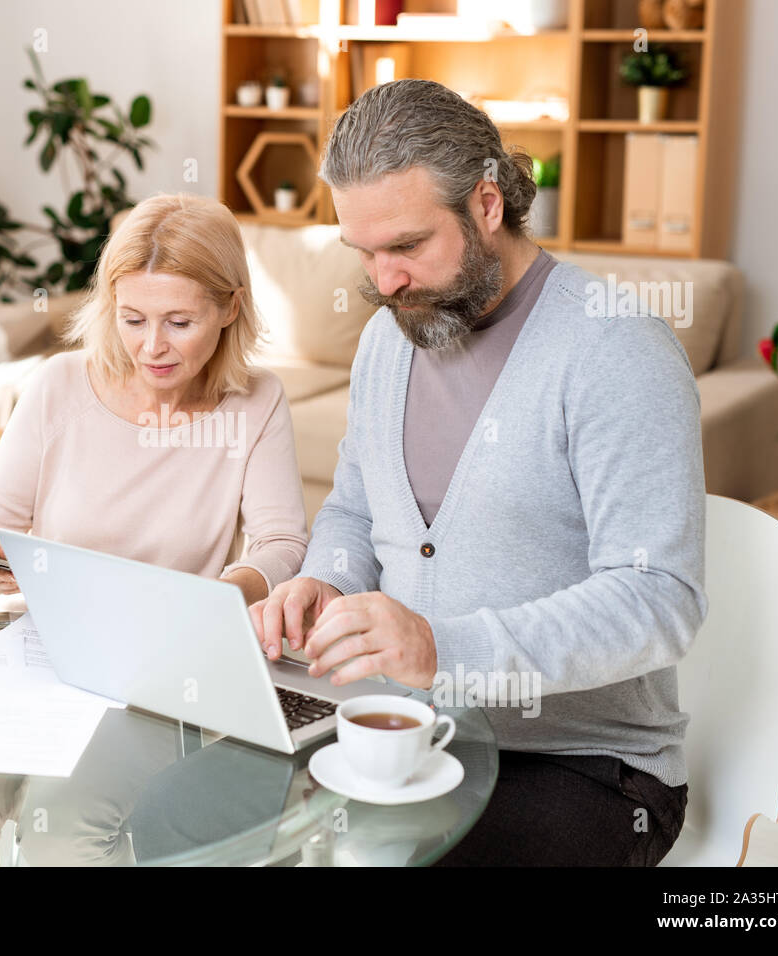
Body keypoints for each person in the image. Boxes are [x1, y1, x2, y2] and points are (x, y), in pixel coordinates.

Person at [251, 78, 706, 866]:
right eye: (363, 252)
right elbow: (356, 509)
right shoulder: (388, 342)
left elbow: (658, 599)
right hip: (405, 730)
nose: (383, 282)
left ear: (488, 205)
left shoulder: (615, 350)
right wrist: (326, 578)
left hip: (586, 769)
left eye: (406, 246)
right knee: (234, 817)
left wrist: (441, 648)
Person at [0, 192, 309, 866]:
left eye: (179, 321)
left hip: (156, 674)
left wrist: (223, 592)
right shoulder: (58, 386)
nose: (152, 346)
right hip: (37, 653)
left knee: (63, 817)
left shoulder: (256, 403)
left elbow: (282, 545)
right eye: (133, 319)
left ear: (229, 308)